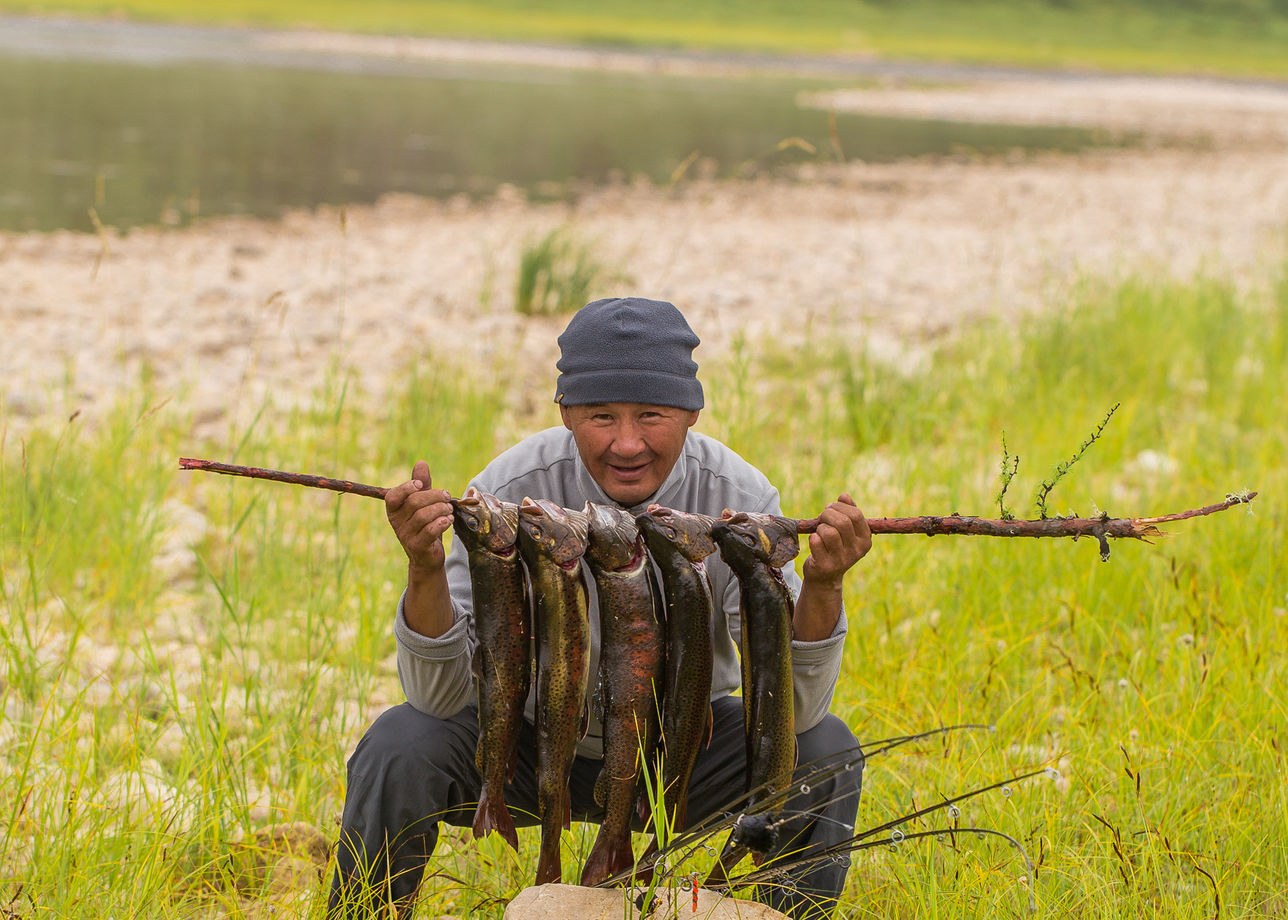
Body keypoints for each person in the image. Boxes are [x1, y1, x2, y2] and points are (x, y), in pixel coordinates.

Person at [329, 297, 872, 919]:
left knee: (826, 752)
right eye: (601, 416)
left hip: (680, 753)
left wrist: (824, 587)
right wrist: (424, 566)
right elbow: (437, 699)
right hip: (529, 744)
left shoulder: (739, 501)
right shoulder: (508, 494)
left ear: (692, 412)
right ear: (564, 412)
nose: (627, 442)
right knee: (400, 741)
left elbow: (796, 715)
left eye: (651, 415)